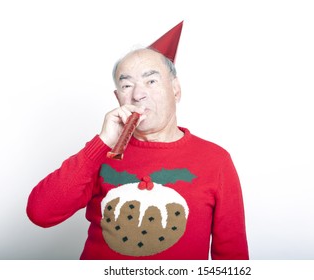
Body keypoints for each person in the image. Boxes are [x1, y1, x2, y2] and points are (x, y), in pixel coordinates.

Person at [27, 21, 249, 260]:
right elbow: (40, 213)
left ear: (175, 90)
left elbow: (232, 255)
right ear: (118, 98)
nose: (138, 94)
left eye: (150, 81)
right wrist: (102, 143)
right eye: (126, 85)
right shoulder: (100, 153)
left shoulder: (216, 160)